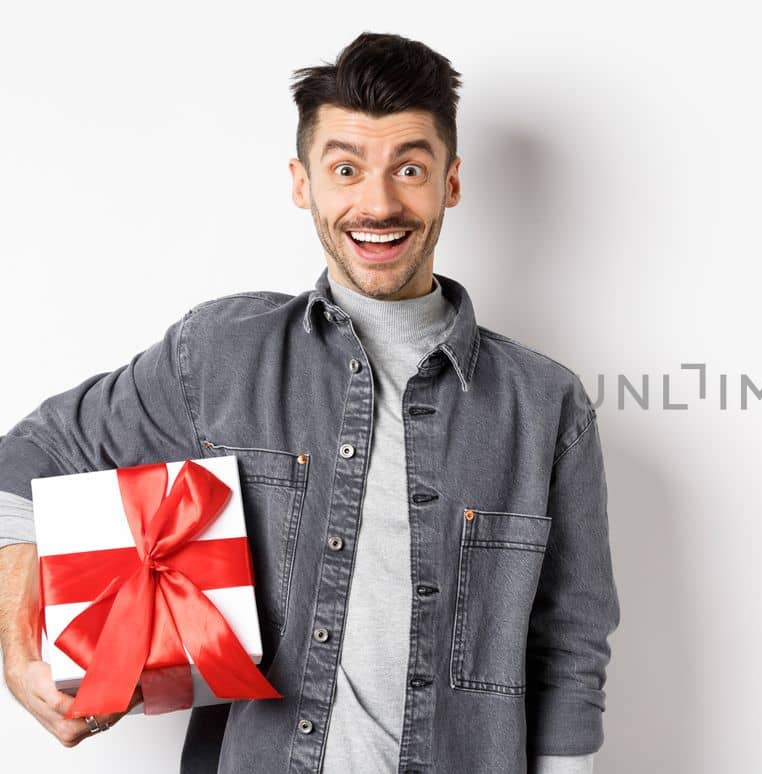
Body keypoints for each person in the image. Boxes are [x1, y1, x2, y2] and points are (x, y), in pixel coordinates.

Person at [0, 31, 620, 774]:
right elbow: (29, 459)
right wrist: (20, 652)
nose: (379, 202)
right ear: (303, 183)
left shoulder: (545, 404)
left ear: (451, 182)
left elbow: (569, 648)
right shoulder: (221, 355)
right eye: (347, 168)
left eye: (410, 168)